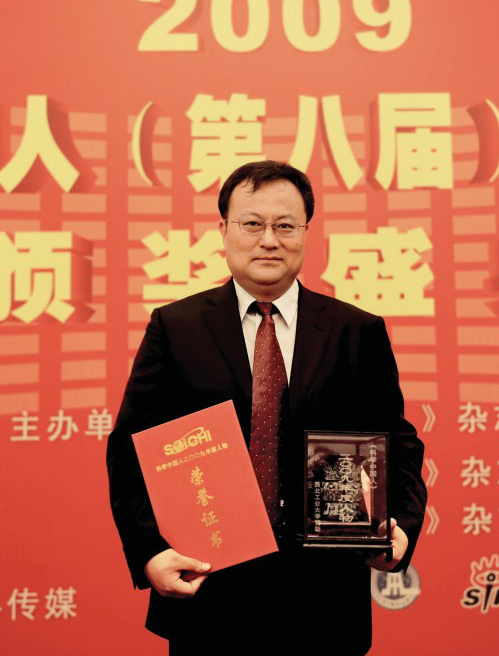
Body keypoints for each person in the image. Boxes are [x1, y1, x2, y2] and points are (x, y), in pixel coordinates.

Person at [106, 160, 427, 654]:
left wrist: (399, 529)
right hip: (207, 588)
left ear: (306, 232)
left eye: (285, 226)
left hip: (325, 599)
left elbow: (397, 440)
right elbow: (130, 449)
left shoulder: (356, 330)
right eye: (252, 224)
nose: (269, 240)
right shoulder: (176, 328)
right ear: (223, 230)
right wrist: (150, 552)